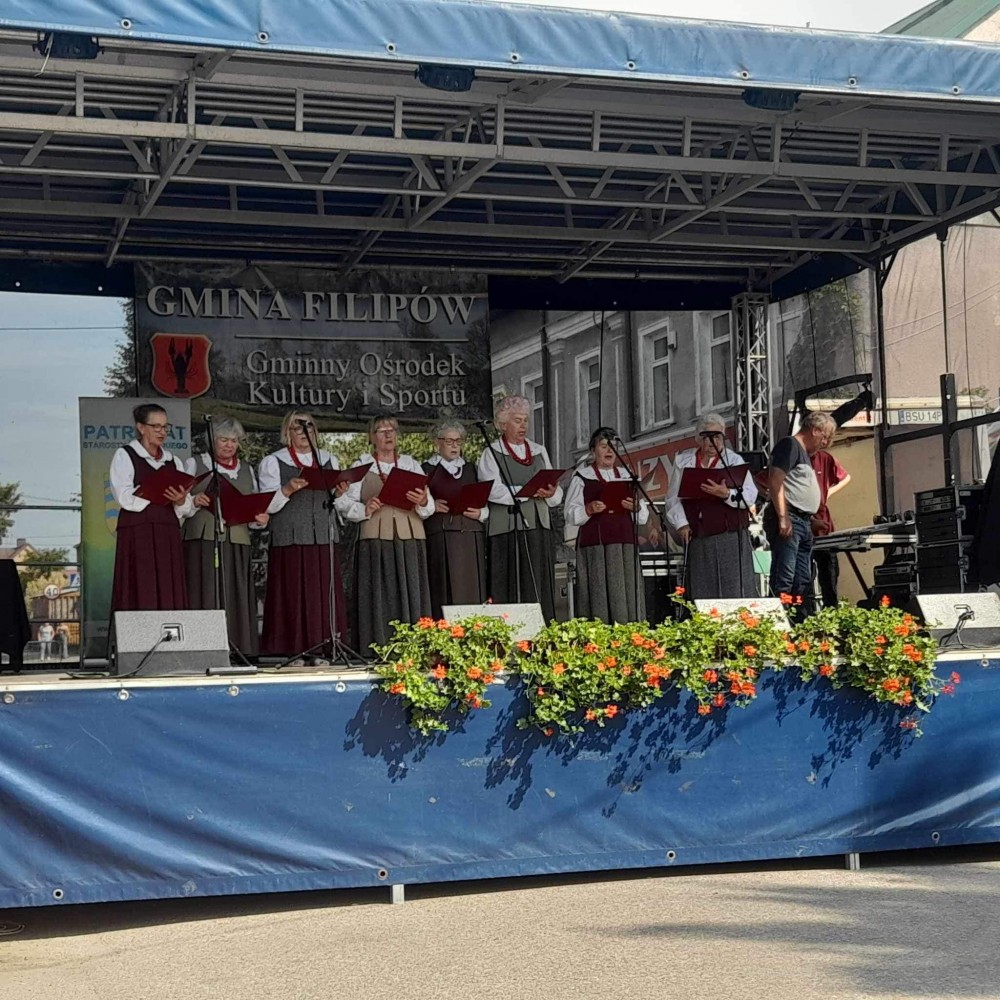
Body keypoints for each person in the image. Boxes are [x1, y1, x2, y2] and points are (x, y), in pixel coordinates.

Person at [257, 411, 351, 663]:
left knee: (322, 594)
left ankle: (324, 648)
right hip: (291, 536)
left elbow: (336, 501)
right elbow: (266, 505)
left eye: (308, 426)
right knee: (293, 592)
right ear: (287, 432)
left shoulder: (328, 459)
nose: (303, 431)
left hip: (323, 534)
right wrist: (287, 489)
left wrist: (339, 492)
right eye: (297, 427)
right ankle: (293, 650)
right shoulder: (273, 461)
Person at [340, 415, 434, 653]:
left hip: (409, 535)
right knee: (378, 592)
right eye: (382, 430)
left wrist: (422, 500)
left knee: (411, 590)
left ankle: (414, 648)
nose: (389, 434)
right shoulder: (362, 465)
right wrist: (364, 509)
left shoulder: (411, 464)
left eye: (392, 429)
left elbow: (429, 507)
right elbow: (342, 502)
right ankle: (378, 646)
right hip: (375, 537)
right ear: (372, 437)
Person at [183, 417, 271, 657]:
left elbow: (253, 506)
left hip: (237, 541)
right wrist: (194, 501)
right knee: (205, 590)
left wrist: (259, 518)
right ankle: (204, 647)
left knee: (236, 593)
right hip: (203, 538)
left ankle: (238, 648)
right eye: (224, 440)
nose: (229, 445)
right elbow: (178, 502)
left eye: (234, 441)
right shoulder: (195, 464)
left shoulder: (247, 469)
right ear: (212, 440)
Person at [477, 395, 562, 622]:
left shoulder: (538, 450)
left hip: (538, 525)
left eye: (525, 420)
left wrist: (551, 493)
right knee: (509, 579)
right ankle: (510, 628)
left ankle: (541, 627)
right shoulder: (492, 452)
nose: (523, 425)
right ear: (503, 424)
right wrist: (526, 492)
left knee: (539, 579)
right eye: (517, 420)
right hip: (507, 527)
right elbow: (491, 489)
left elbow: (555, 489)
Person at [665, 412, 759, 600]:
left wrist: (726, 494)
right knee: (703, 587)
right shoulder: (684, 462)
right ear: (698, 439)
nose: (712, 442)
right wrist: (681, 524)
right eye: (707, 437)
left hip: (729, 534)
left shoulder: (734, 461)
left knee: (733, 586)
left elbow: (750, 496)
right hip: (699, 533)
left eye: (717, 436)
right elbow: (672, 498)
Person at [110, 404, 194, 612]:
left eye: (165, 427)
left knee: (167, 585)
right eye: (156, 426)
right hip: (139, 529)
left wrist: (180, 499)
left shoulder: (173, 460)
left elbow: (185, 506)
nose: (162, 432)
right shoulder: (125, 455)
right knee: (141, 584)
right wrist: (152, 490)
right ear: (141, 427)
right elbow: (123, 496)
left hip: (167, 530)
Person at [565, 426, 649, 622]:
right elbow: (569, 513)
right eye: (604, 446)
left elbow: (643, 517)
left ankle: (630, 629)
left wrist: (636, 507)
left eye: (613, 446)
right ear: (593, 451)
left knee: (627, 590)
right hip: (596, 545)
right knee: (598, 592)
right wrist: (588, 509)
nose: (610, 451)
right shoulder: (582, 476)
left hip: (624, 543)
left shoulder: (627, 476)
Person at [766, 411, 837, 611]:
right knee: (785, 577)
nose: (825, 443)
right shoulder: (789, 445)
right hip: (791, 519)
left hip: (802, 521)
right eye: (825, 437)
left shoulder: (804, 453)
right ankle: (779, 618)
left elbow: (795, 487)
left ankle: (799, 619)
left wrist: (810, 519)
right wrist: (783, 517)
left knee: (802, 579)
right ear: (814, 430)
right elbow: (775, 480)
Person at [422, 420, 487, 617]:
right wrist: (431, 505)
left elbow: (485, 498)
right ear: (437, 443)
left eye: (458, 441)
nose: (454, 446)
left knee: (472, 588)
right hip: (441, 535)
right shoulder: (427, 469)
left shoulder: (471, 468)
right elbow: (419, 502)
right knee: (444, 588)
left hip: (470, 534)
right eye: (449, 441)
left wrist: (481, 513)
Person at [810, 448, 851, 607]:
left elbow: (845, 477)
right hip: (800, 523)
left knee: (830, 569)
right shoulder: (793, 456)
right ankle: (804, 612)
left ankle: (831, 609)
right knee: (803, 574)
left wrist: (827, 492)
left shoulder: (825, 457)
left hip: (823, 523)